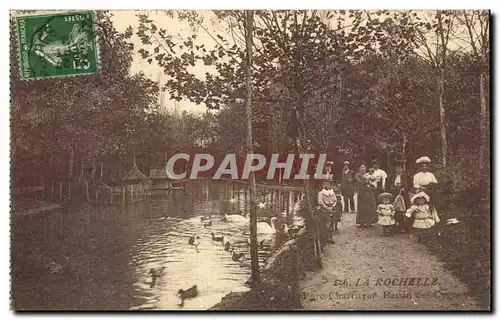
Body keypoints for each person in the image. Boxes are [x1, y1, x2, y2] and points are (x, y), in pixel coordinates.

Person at [317, 180, 337, 244]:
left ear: (330, 185)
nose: (326, 185)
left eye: (328, 184)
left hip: (332, 208)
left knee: (331, 223)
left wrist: (333, 206)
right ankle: (326, 238)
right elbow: (320, 202)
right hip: (324, 209)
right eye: (325, 184)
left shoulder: (332, 192)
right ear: (322, 185)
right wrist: (326, 207)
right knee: (326, 224)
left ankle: (330, 237)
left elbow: (335, 200)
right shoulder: (321, 193)